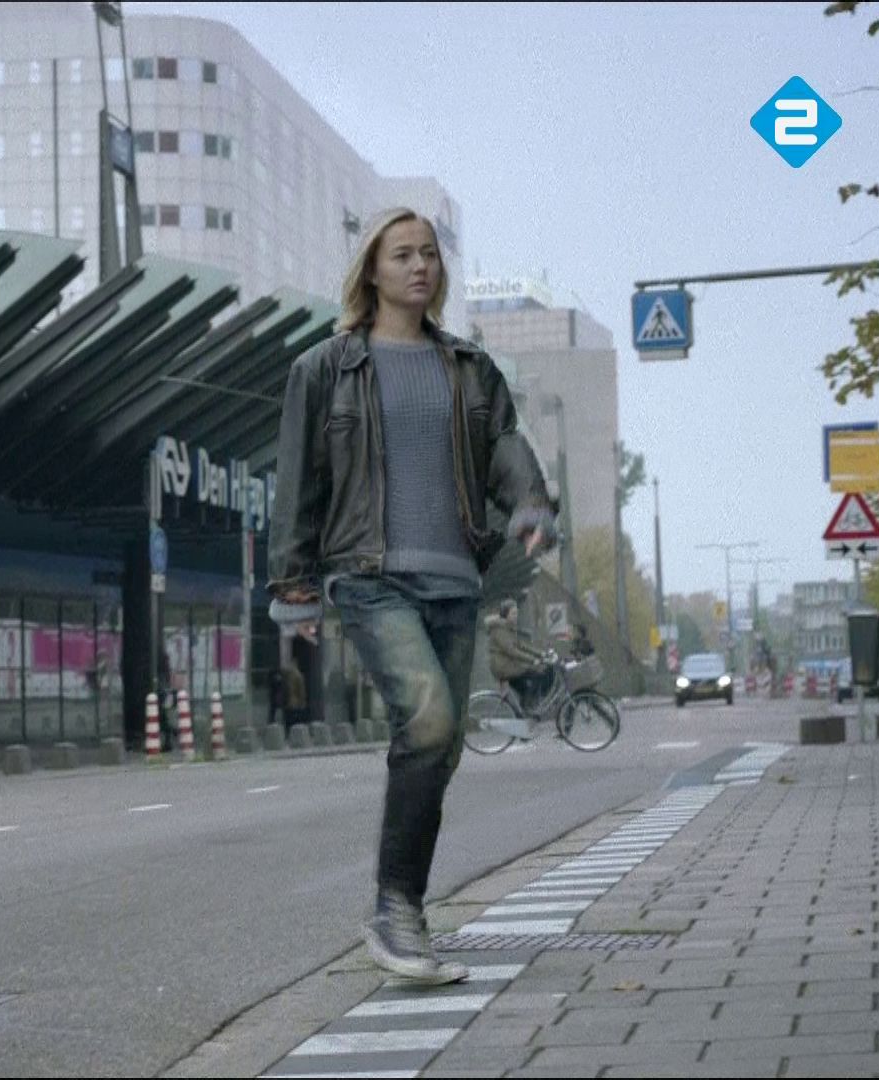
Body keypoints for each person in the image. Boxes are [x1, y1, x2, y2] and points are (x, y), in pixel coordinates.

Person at [266, 207, 557, 985]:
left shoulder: (468, 367)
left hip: (455, 579)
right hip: (369, 572)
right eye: (402, 255)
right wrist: (292, 577)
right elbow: (299, 477)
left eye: (429, 253)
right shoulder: (326, 369)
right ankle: (396, 910)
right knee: (427, 718)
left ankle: (405, 909)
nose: (420, 265)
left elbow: (504, 445)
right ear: (372, 270)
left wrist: (530, 505)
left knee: (444, 740)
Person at [487, 600, 555, 718]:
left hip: (508, 665)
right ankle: (527, 707)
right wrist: (532, 660)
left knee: (525, 689)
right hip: (503, 667)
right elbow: (511, 651)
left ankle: (524, 714)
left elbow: (521, 645)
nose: (516, 616)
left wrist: (542, 654)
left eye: (517, 613)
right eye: (513, 613)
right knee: (538, 674)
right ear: (505, 614)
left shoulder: (508, 627)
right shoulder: (499, 629)